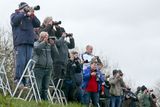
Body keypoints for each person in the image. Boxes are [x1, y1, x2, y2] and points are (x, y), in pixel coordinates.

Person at [10, 2, 40, 85]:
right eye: (26, 7)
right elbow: (14, 21)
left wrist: (32, 15)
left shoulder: (30, 17)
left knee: (27, 63)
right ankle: (18, 79)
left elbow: (38, 23)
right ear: (21, 8)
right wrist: (24, 13)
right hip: (20, 42)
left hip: (29, 43)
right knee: (21, 62)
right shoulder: (14, 15)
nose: (28, 8)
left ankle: (25, 80)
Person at [32, 32, 59, 100]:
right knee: (38, 87)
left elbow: (56, 54)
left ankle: (44, 102)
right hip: (39, 68)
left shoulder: (49, 45)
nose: (48, 38)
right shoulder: (36, 43)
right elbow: (37, 50)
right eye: (46, 37)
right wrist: (44, 42)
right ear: (41, 37)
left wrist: (53, 45)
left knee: (45, 87)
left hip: (48, 69)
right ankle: (36, 101)